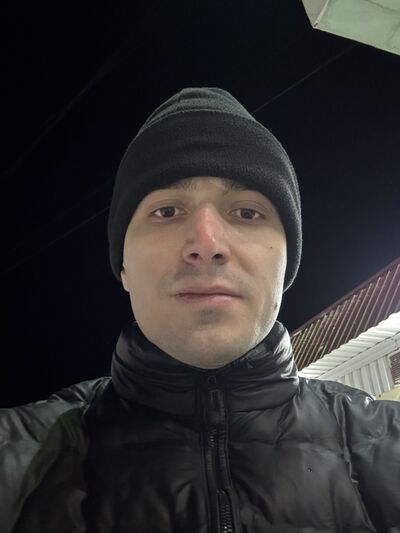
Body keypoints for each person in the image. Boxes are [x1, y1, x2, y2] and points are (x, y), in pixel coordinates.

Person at [1, 87, 399, 533]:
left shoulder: (390, 446)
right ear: (124, 267)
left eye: (247, 213)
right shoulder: (16, 461)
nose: (207, 244)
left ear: (286, 265)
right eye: (167, 211)